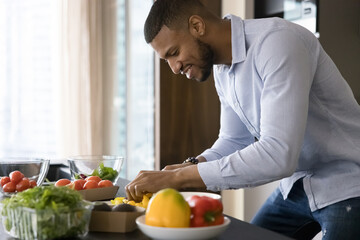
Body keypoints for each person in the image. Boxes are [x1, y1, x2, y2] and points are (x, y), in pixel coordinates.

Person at [125, 0, 360, 239]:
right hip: (297, 186)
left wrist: (178, 178)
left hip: (347, 184)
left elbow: (279, 155)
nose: (174, 68)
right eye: (166, 60)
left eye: (174, 53)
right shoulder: (222, 68)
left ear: (197, 26)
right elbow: (234, 140)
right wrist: (189, 166)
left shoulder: (278, 42)